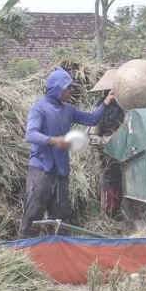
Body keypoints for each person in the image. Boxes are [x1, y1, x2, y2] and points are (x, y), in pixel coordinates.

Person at [19, 67, 116, 237]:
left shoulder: (68, 109)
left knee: (61, 217)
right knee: (34, 213)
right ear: (58, 88)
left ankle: (59, 252)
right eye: (68, 87)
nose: (71, 90)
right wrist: (54, 140)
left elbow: (91, 119)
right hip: (41, 169)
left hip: (61, 171)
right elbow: (31, 134)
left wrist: (106, 101)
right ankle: (26, 251)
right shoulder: (39, 108)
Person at [88, 68, 126, 219]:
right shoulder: (99, 109)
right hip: (109, 157)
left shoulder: (128, 107)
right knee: (111, 185)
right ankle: (111, 219)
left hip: (129, 156)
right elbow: (90, 136)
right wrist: (109, 141)